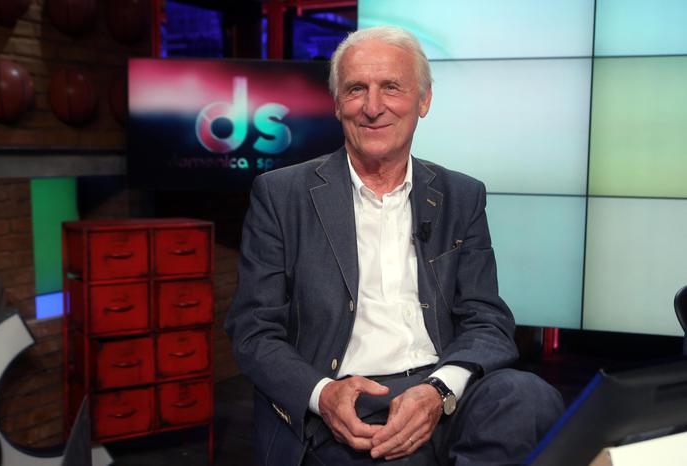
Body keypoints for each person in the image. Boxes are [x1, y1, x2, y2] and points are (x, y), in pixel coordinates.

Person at [225, 25, 564, 466]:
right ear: (337, 103)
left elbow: (487, 320)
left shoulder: (461, 196)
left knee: (528, 398)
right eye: (356, 89)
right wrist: (323, 395)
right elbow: (254, 331)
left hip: (439, 388)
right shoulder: (281, 195)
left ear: (423, 100)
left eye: (391, 87)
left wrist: (437, 391)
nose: (373, 107)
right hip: (348, 404)